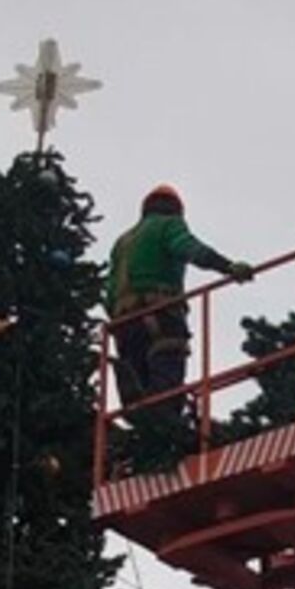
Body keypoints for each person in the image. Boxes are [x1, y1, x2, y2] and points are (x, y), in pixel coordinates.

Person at [105, 184, 252, 466]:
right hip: (160, 317)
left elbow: (109, 290)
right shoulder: (168, 225)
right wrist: (228, 266)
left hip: (124, 325)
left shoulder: (122, 242)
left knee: (137, 391)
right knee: (166, 386)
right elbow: (189, 248)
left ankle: (142, 440)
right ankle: (165, 446)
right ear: (175, 209)